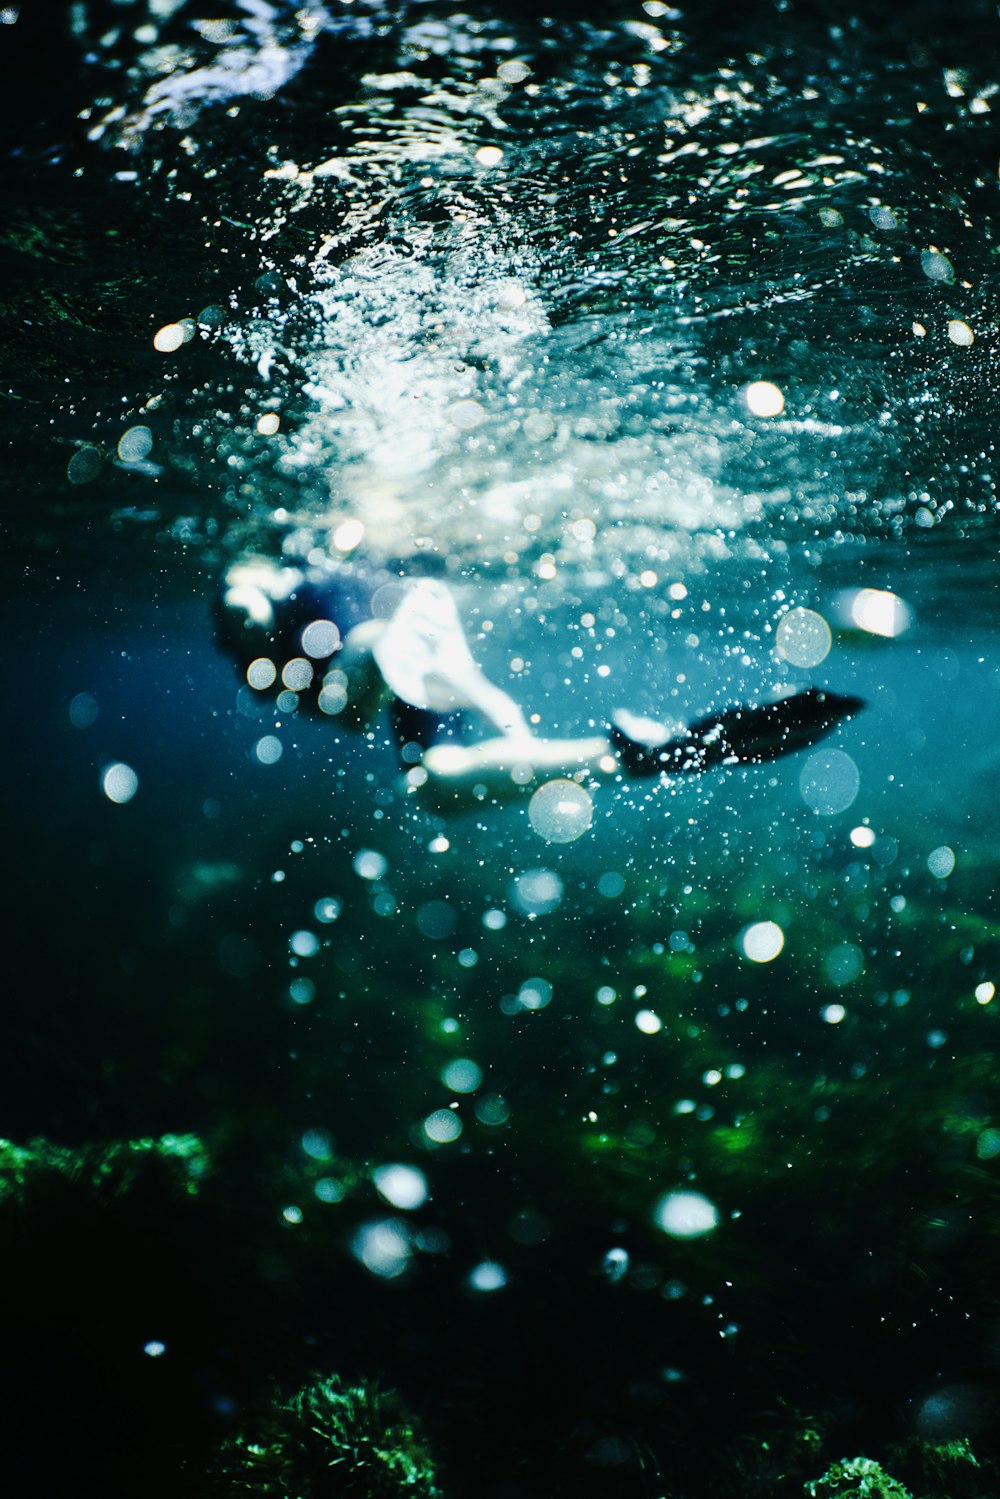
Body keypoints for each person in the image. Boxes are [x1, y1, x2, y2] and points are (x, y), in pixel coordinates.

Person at [217, 557, 863, 801]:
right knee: (433, 785)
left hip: (409, 621)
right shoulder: (269, 668)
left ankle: (648, 753)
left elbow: (373, 652)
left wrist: (480, 692)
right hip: (401, 654)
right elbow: (352, 715)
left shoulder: (296, 588)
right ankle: (637, 755)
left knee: (371, 646)